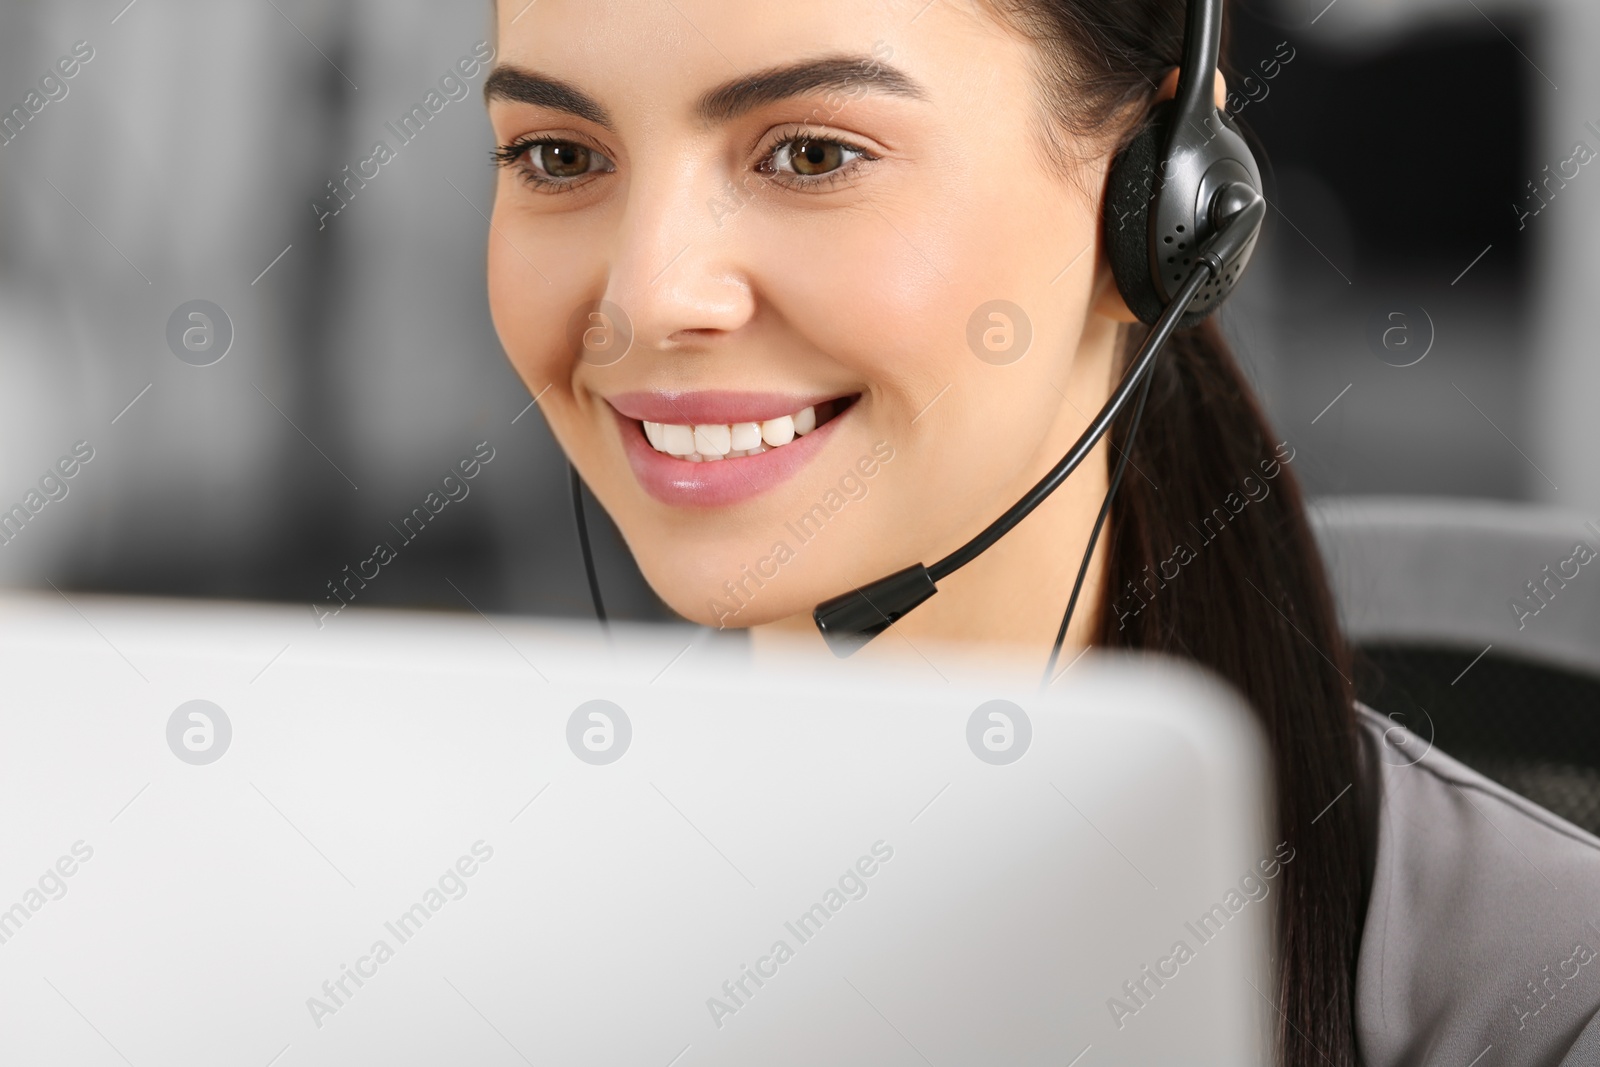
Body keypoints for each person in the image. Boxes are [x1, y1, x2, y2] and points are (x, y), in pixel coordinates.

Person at [476, 1, 1600, 1062]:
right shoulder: (465, 918)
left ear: (1162, 207)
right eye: (558, 156)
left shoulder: (1547, 998)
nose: (647, 294)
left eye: (812, 153)